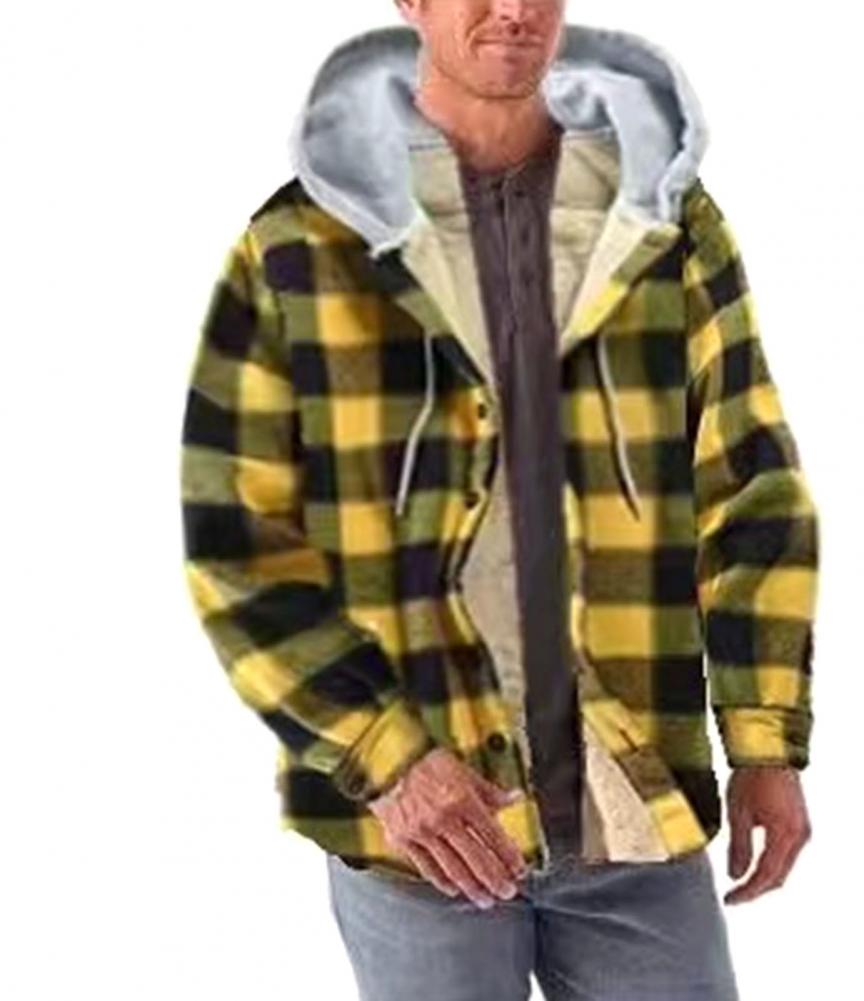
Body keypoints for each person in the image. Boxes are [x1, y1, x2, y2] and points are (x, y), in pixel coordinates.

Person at [179, 1, 820, 997]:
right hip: (421, 833)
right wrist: (384, 755)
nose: (514, 9)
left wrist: (763, 741)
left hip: (631, 796)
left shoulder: (664, 222)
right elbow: (237, 540)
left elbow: (747, 486)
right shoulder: (297, 246)